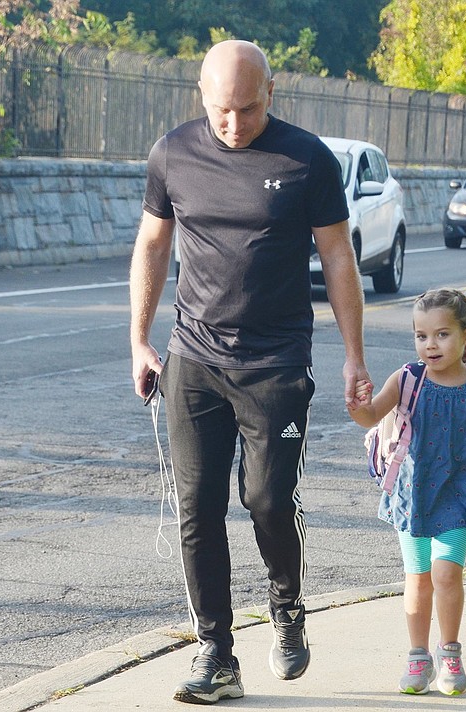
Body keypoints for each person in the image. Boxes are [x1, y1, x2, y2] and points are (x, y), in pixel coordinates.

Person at [129, 40, 371, 705]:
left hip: (276, 364)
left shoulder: (306, 160)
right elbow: (152, 243)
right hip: (194, 359)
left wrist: (354, 356)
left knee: (266, 498)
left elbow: (339, 258)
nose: (232, 124)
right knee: (196, 507)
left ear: (272, 93)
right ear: (201, 97)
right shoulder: (173, 153)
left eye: (245, 108)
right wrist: (139, 340)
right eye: (220, 110)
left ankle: (288, 610)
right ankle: (217, 654)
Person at [348, 288, 466, 697]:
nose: (430, 344)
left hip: (460, 493)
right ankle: (418, 656)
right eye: (421, 335)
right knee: (418, 578)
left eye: (442, 334)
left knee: (446, 574)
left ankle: (451, 652)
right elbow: (372, 414)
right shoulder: (407, 379)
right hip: (413, 494)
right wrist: (359, 405)